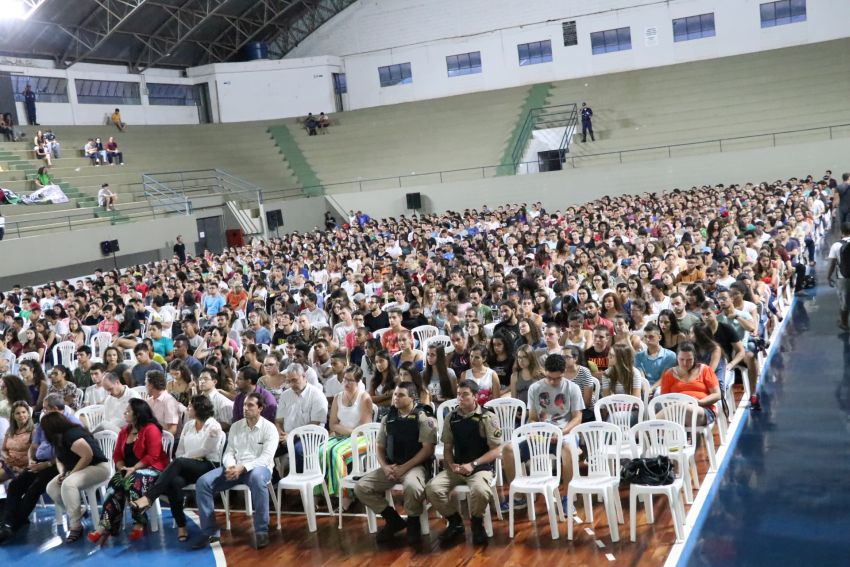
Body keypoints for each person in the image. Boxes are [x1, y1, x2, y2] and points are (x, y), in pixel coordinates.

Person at [131, 395, 223, 542]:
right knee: (174, 482)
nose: (188, 408)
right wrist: (184, 459)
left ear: (199, 408)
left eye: (191, 406)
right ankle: (181, 525)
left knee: (178, 462)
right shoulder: (188, 425)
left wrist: (184, 459)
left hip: (208, 465)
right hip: (188, 465)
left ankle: (148, 497)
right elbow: (180, 450)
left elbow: (205, 450)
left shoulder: (214, 426)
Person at [192, 392, 278, 550]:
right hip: (235, 468)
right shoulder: (236, 426)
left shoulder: (269, 428)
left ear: (260, 408)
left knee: (257, 478)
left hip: (258, 468)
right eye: (244, 405)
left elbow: (266, 458)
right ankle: (210, 531)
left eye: (250, 405)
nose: (245, 408)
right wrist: (231, 466)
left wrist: (243, 467)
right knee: (203, 482)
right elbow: (229, 452)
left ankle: (261, 530)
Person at [354, 381, 436, 545]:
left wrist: (404, 468)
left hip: (415, 466)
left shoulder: (423, 417)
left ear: (412, 398)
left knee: (412, 486)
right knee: (361, 487)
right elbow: (379, 447)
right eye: (395, 394)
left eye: (401, 395)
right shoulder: (388, 418)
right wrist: (385, 467)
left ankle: (413, 523)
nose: (396, 398)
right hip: (392, 467)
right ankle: (393, 519)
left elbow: (428, 450)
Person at [425, 378, 503, 546]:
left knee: (480, 491)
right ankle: (455, 521)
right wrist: (451, 464)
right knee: (432, 488)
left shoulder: (487, 417)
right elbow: (447, 447)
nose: (460, 398)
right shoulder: (451, 417)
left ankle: (476, 523)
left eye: (465, 394)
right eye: (458, 394)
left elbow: (496, 450)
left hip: (480, 468)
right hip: (458, 467)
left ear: (475, 396)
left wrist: (473, 464)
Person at [501, 354, 583, 512]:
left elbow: (577, 418)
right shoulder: (535, 388)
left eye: (557, 378)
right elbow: (532, 418)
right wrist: (535, 429)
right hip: (540, 434)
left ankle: (567, 498)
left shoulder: (572, 388)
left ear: (564, 372)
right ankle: (518, 497)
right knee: (508, 449)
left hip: (564, 432)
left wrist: (561, 432)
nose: (552, 382)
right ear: (545, 372)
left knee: (568, 449)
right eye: (549, 377)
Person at [88, 398, 169, 544]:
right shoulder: (125, 431)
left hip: (153, 468)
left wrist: (134, 468)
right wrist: (122, 468)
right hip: (130, 469)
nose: (125, 413)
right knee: (115, 483)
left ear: (138, 413)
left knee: (132, 481)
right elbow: (117, 455)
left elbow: (153, 456)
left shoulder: (151, 429)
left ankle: (140, 521)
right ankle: (105, 526)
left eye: (128, 411)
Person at [41, 412, 111, 543]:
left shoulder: (72, 434)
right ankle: (79, 511)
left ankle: (76, 526)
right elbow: (59, 460)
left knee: (68, 484)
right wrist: (62, 473)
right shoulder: (58, 438)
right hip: (80, 469)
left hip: (99, 467)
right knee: (51, 487)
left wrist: (71, 474)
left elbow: (87, 455)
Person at [325, 365, 373, 505]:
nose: (346, 383)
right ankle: (322, 492)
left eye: (350, 380)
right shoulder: (337, 397)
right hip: (342, 436)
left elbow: (363, 428)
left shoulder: (364, 397)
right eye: (345, 379)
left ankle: (346, 495)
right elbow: (332, 424)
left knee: (337, 453)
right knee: (321, 450)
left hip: (362, 439)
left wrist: (344, 430)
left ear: (358, 382)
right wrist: (347, 431)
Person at [658, 342, 722, 426]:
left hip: (703, 409)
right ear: (677, 358)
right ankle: (648, 428)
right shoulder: (669, 374)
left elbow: (717, 395)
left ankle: (647, 428)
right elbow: (664, 399)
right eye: (681, 359)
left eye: (689, 360)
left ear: (694, 358)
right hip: (676, 412)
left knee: (680, 407)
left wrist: (699, 402)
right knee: (678, 408)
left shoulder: (705, 370)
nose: (685, 363)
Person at [0, 401, 34, 483]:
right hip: (9, 465)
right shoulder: (10, 430)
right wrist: (6, 457)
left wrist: (20, 467)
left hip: (24, 468)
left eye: (23, 412)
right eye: (18, 413)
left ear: (28, 414)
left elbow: (34, 455)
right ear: (13, 415)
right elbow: (3, 449)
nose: (21, 415)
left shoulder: (33, 431)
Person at [827, 221, 850, 331]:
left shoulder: (836, 245)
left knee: (844, 301)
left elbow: (832, 263)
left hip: (843, 277)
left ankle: (844, 323)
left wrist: (828, 277)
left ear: (842, 232)